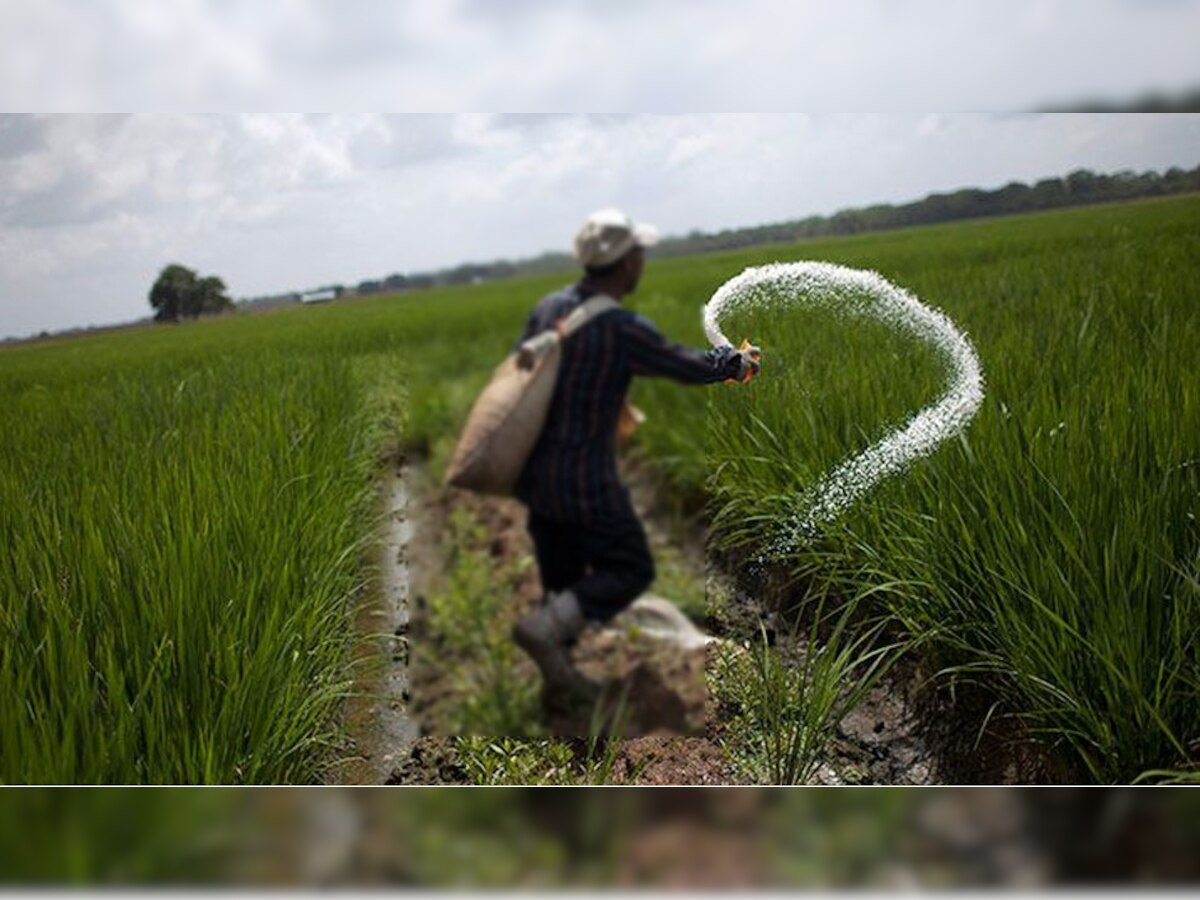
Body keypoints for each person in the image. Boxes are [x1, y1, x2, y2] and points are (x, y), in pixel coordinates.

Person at [511, 208, 760, 703]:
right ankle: (544, 636)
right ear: (624, 264)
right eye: (637, 254)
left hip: (537, 470)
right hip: (583, 473)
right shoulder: (620, 326)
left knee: (563, 578)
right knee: (629, 568)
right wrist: (735, 363)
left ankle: (560, 691)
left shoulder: (549, 308)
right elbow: (682, 363)